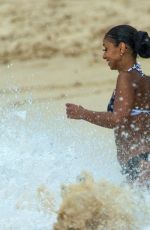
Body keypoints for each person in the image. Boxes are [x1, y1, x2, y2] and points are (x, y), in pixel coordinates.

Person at [66, 25, 150, 187]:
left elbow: (117, 119)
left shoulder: (125, 78)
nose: (104, 55)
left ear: (122, 48)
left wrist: (83, 113)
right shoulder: (145, 80)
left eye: (106, 49)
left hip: (139, 164)